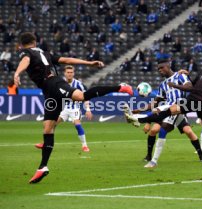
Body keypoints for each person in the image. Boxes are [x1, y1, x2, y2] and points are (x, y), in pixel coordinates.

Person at [14, 32, 133, 184]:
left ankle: (120, 87)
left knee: (82, 97)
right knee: (48, 128)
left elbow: (25, 59)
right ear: (35, 42)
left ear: (22, 44)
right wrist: (88, 63)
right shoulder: (44, 52)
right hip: (49, 91)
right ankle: (43, 167)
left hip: (53, 84)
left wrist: (17, 73)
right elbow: (66, 60)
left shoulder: (26, 52)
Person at [126, 52, 202, 167]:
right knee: (169, 111)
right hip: (192, 101)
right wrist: (186, 76)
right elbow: (191, 86)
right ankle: (138, 120)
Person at [124, 59, 202, 168]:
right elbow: (155, 102)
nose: (160, 70)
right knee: (155, 130)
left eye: (162, 68)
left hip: (179, 108)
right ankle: (149, 156)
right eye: (158, 69)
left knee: (187, 132)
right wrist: (140, 109)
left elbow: (189, 87)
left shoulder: (180, 76)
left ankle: (137, 120)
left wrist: (175, 85)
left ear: (168, 66)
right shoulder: (163, 85)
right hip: (168, 110)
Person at [35, 65, 93, 152]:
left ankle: (84, 145)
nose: (69, 74)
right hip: (63, 108)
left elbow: (86, 97)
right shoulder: (59, 82)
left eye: (71, 72)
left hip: (74, 109)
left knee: (77, 124)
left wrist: (88, 109)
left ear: (74, 73)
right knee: (51, 124)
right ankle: (45, 142)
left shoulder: (78, 84)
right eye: (68, 72)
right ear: (65, 73)